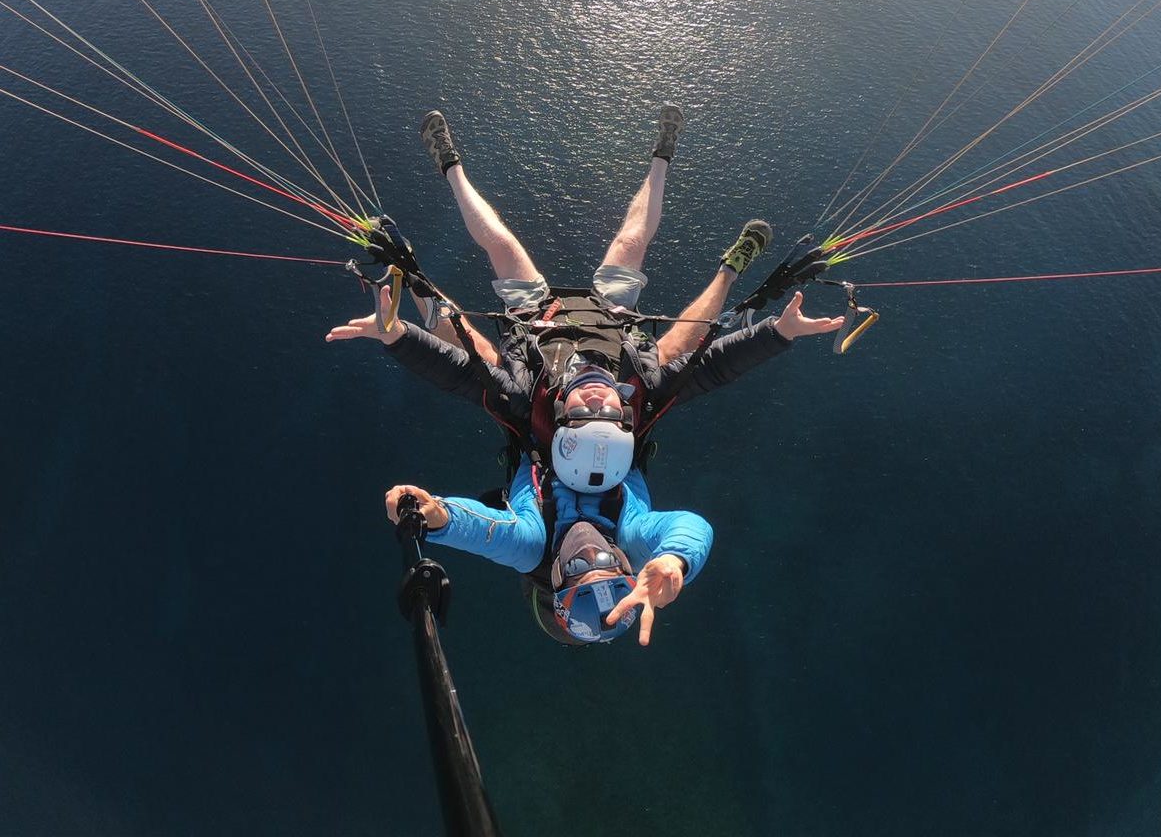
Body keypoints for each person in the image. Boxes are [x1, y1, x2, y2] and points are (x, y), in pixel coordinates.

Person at [328, 107, 842, 645]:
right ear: (625, 564)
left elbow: (483, 530)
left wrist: (433, 514)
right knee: (675, 322)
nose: (586, 554)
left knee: (478, 321)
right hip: (615, 347)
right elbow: (693, 510)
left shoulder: (532, 541)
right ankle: (718, 246)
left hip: (541, 343)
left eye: (573, 576)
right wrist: (673, 564)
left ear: (552, 581)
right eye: (607, 568)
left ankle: (436, 196)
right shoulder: (635, 529)